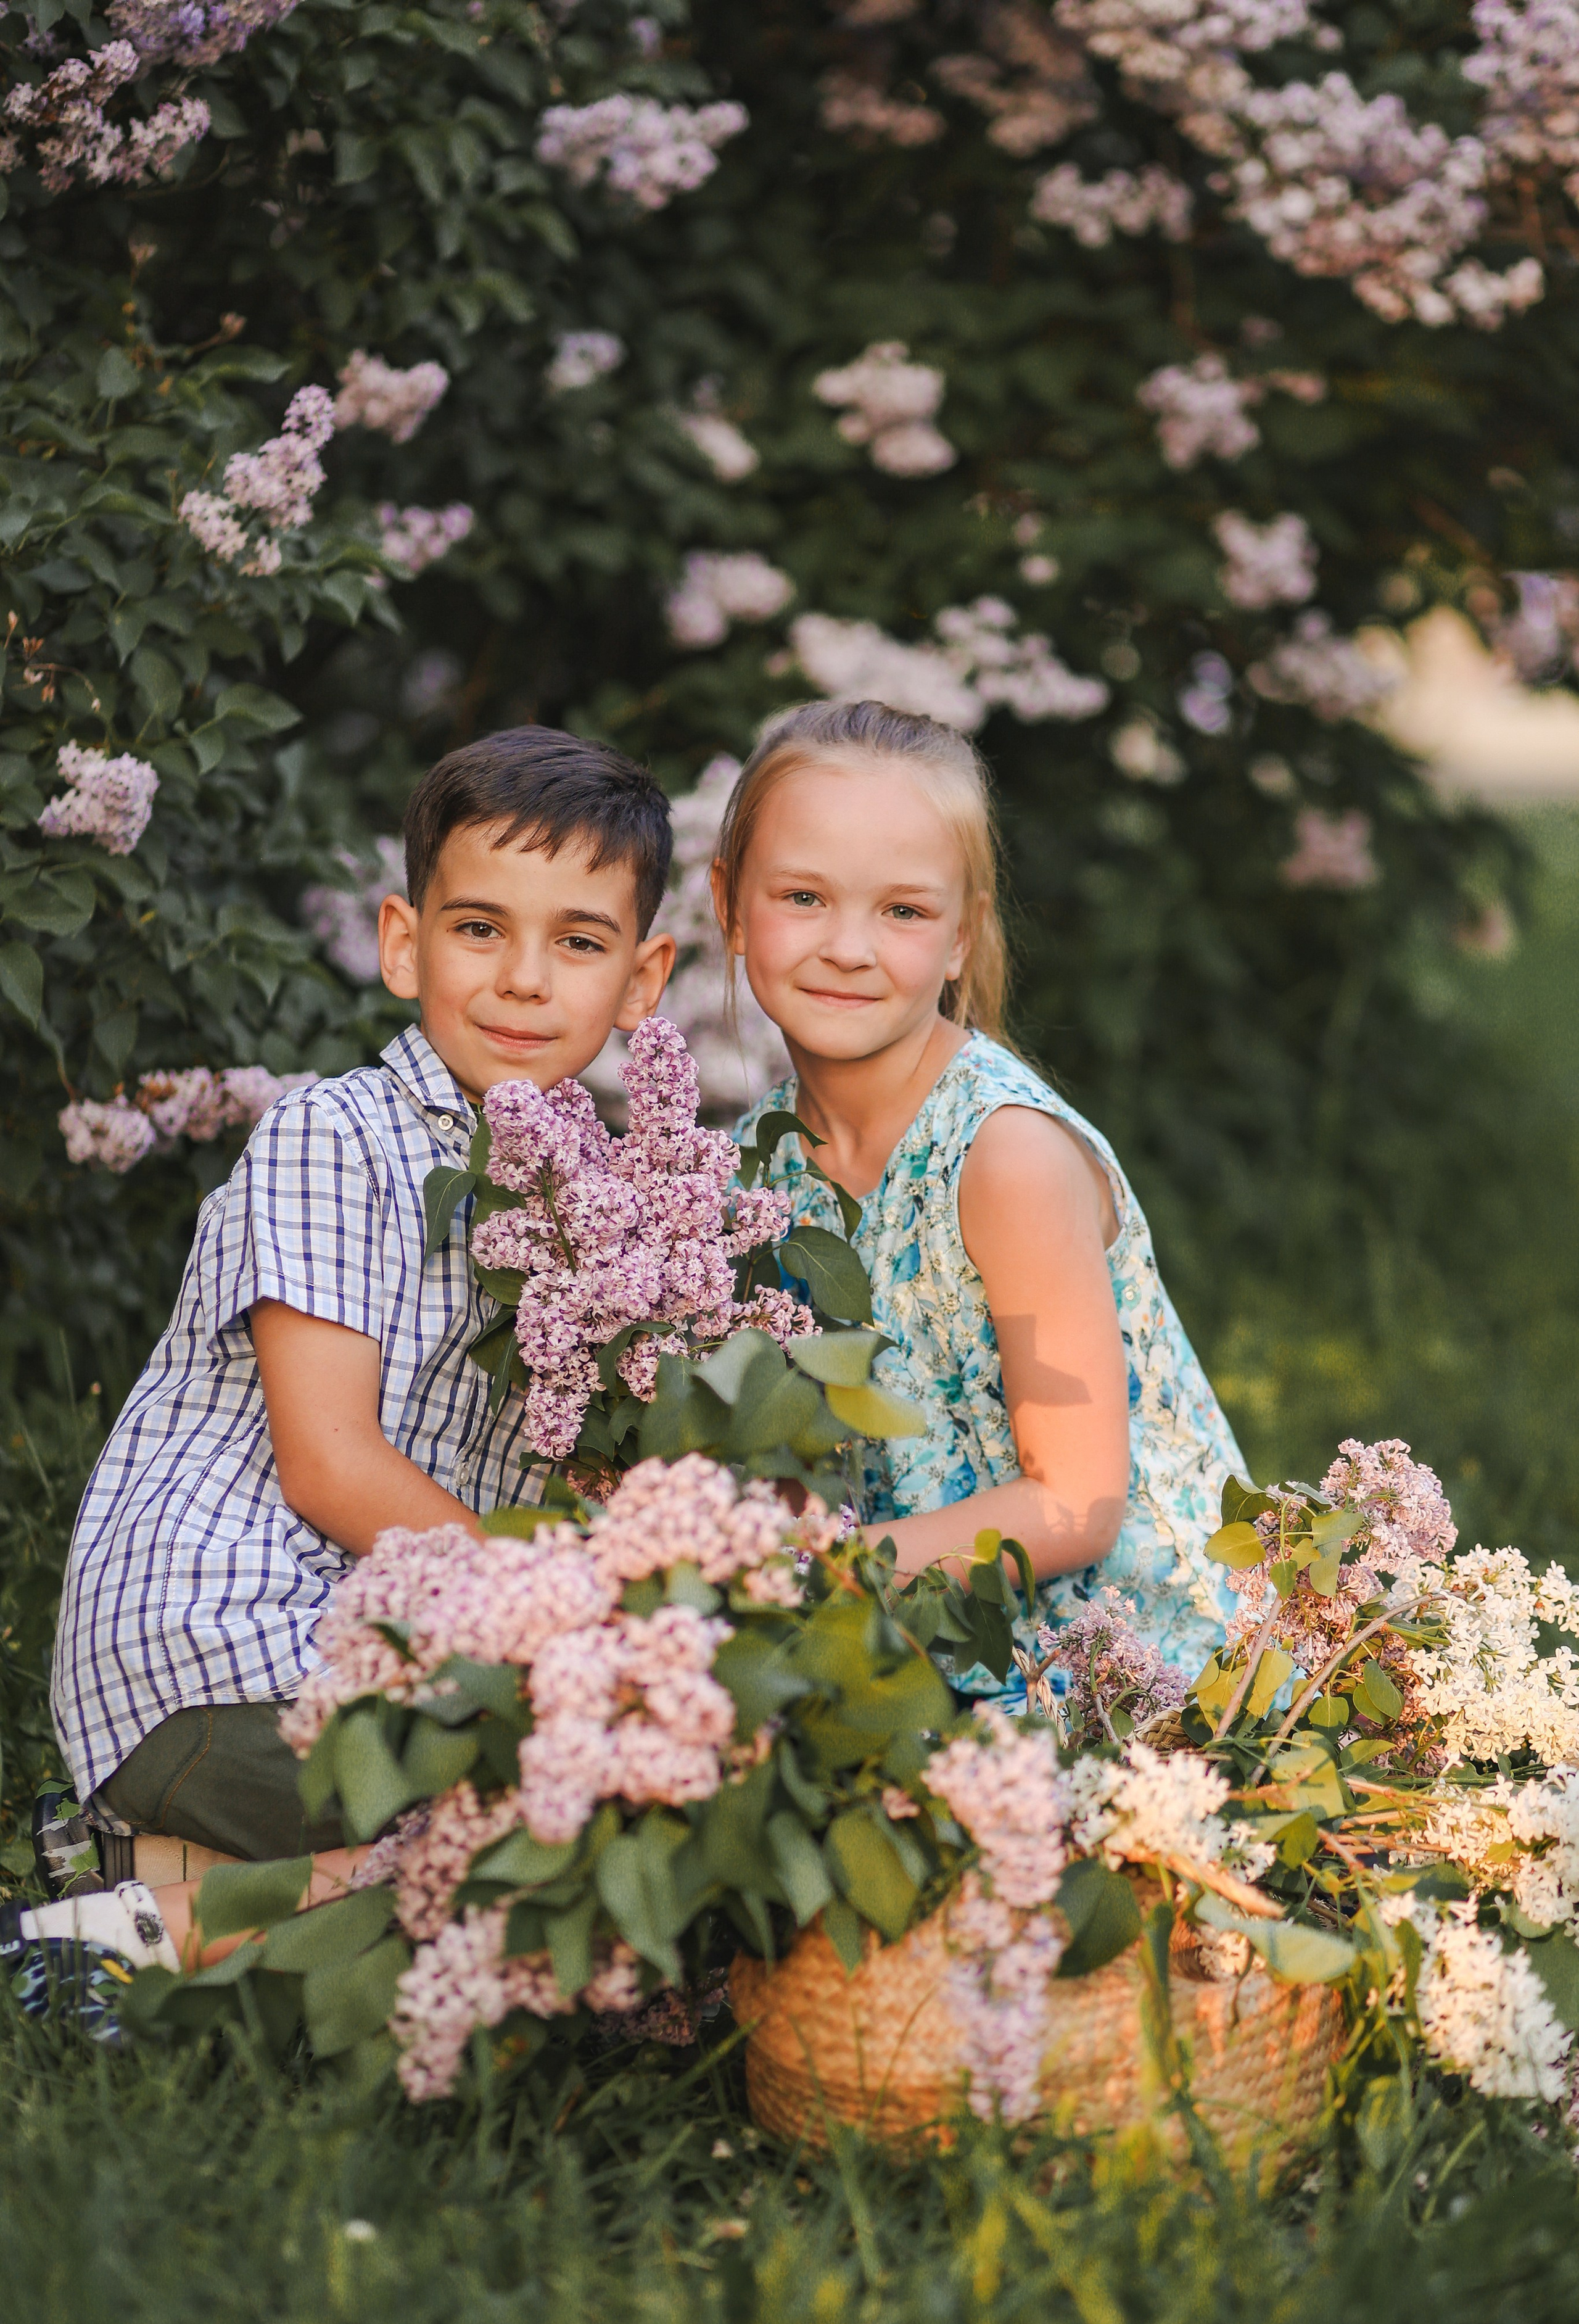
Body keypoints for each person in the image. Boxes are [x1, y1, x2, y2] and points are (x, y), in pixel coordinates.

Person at [36, 727, 676, 1913]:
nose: (525, 979)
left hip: (382, 1658)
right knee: (551, 1853)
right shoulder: (337, 1136)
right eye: (480, 928)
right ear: (403, 943)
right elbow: (332, 1467)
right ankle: (124, 1940)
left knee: (626, 1832)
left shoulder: (609, 1211)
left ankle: (132, 1880)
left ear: (643, 981)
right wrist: (580, 1617)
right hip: (220, 1648)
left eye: (579, 943)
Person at [718, 698, 1244, 1698]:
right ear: (729, 904)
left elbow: (1077, 1503)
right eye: (803, 897)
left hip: (1147, 1674)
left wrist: (808, 1579)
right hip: (923, 1644)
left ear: (963, 938)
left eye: (903, 911)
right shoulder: (752, 1167)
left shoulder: (1004, 1156)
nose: (848, 947)